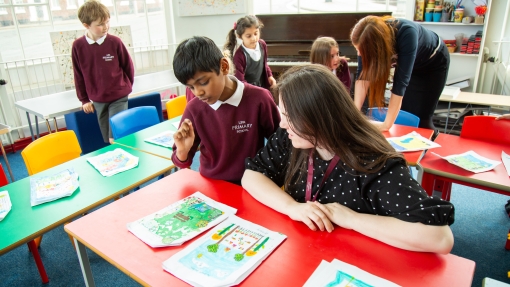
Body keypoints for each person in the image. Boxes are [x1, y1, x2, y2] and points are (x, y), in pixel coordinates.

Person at [242, 64, 455, 254]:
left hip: (358, 259)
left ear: (318, 117)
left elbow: (440, 238)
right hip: (309, 250)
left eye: (289, 117)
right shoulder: (293, 138)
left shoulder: (372, 162)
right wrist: (292, 207)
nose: (282, 125)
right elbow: (251, 175)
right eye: (283, 115)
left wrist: (351, 219)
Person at [171, 36, 280, 185]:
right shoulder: (194, 108)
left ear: (223, 66)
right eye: (190, 87)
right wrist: (183, 151)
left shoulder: (259, 98)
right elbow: (182, 162)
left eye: (203, 82)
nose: (197, 92)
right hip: (212, 185)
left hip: (253, 183)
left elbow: (281, 142)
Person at [351, 16, 450, 132]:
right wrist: (354, 115)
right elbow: (362, 76)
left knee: (421, 119)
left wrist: (385, 125)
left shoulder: (407, 34)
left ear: (377, 47)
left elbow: (400, 84)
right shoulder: (365, 41)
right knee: (405, 115)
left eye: (361, 51)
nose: (359, 54)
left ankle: (433, 143)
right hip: (412, 64)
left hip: (433, 64)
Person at [72, 0, 134, 144]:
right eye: (100, 24)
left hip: (119, 96)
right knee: (106, 138)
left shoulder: (115, 42)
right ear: (86, 25)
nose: (106, 27)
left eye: (107, 22)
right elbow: (78, 74)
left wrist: (125, 86)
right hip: (98, 98)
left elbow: (128, 66)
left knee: (115, 136)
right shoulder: (78, 46)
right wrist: (84, 99)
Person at [224, 15, 276, 91]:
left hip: (263, 86)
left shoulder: (262, 44)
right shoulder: (239, 56)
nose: (254, 38)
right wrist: (256, 91)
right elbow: (240, 81)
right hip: (249, 90)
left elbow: (264, 64)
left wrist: (270, 76)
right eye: (248, 36)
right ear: (239, 36)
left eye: (256, 33)